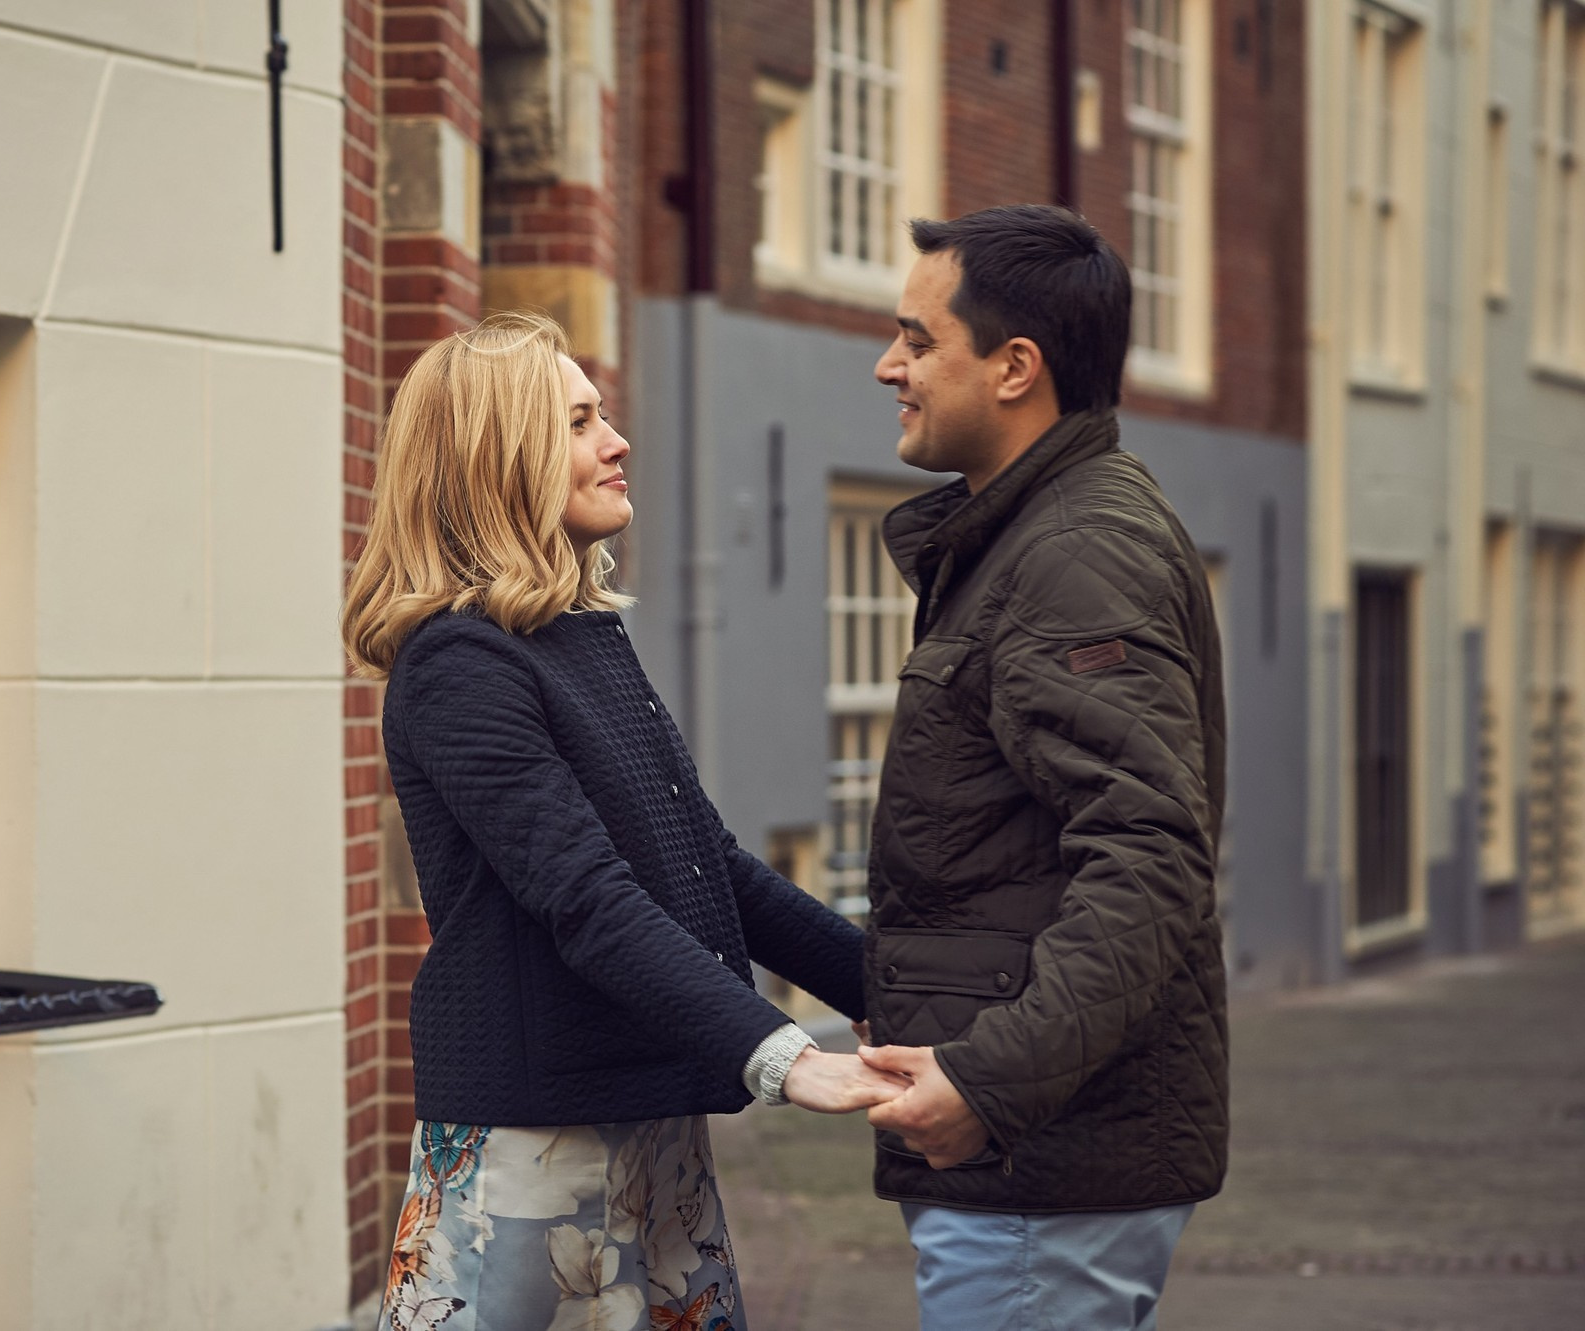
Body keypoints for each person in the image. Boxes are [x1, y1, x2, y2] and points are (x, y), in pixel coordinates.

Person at [342, 312, 903, 1331]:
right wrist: (782, 1053)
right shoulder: (459, 665)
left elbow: (705, 869)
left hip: (644, 1114)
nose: (617, 439)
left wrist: (882, 988)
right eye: (578, 420)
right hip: (537, 1141)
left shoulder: (576, 635)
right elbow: (588, 898)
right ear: (495, 460)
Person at [851, 204, 1229, 1330]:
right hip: (1036, 1165)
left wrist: (988, 1079)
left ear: (1014, 367)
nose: (888, 366)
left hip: (1042, 1173)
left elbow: (1150, 856)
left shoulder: (1072, 553)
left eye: (917, 340)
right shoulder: (1030, 535)